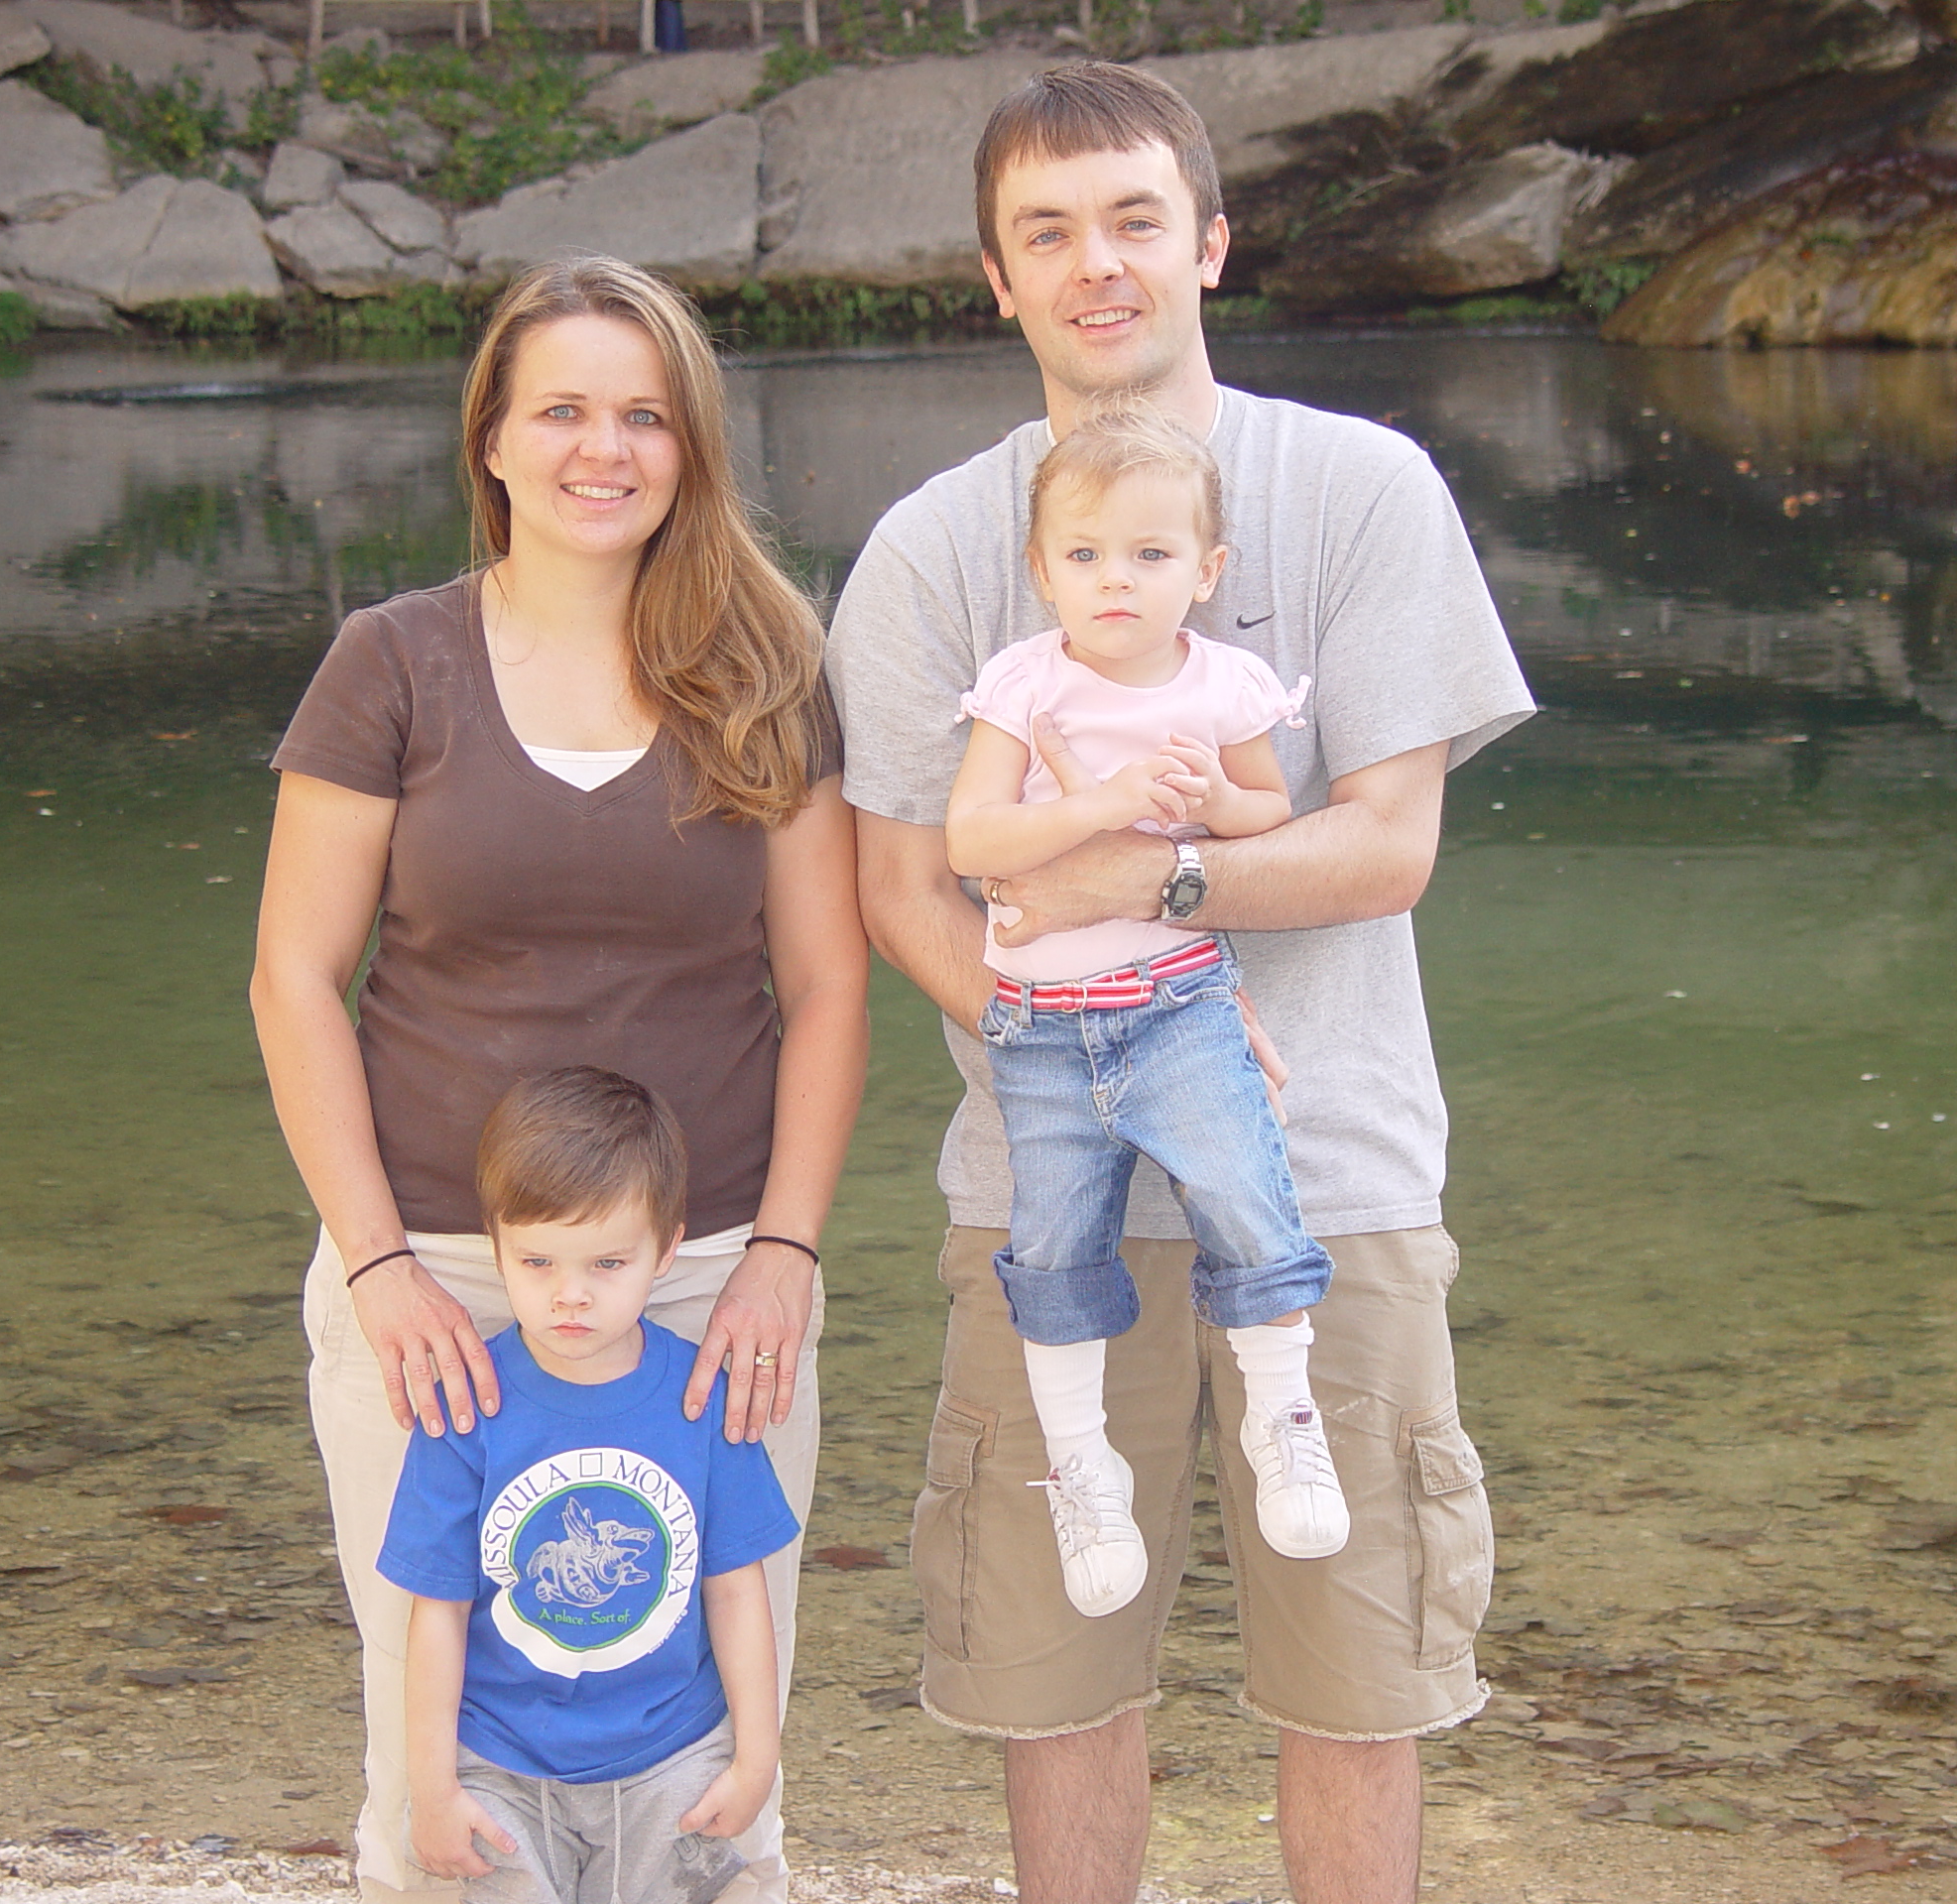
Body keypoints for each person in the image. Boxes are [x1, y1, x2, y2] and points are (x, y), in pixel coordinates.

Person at [825, 61, 1534, 1904]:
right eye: (1048, 234)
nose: (1099, 266)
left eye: (1136, 219)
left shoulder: (1361, 488)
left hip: (1339, 1177)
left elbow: (1386, 845)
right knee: (1056, 1682)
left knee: (1353, 1678)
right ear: (998, 278)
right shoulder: (928, 552)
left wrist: (1151, 877)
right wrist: (1096, 1056)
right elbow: (897, 884)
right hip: (1049, 1186)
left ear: (1210, 240)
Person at [252, 254, 868, 1904]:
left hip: (708, 1277)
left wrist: (786, 1260)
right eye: (566, 411)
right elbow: (294, 981)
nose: (607, 448)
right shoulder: (394, 665)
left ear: (691, 446)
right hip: (445, 1281)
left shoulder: (764, 667)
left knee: (720, 1769)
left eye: (645, 415)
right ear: (497, 442)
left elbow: (825, 984)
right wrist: (378, 1266)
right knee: (442, 1784)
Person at [942, 401, 1345, 1620]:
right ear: (1041, 569)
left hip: (1174, 1001)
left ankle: (1283, 1414)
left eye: (1151, 555)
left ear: (1206, 572)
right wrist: (1099, 802)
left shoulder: (1225, 682)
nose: (1115, 581)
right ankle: (1082, 1465)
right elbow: (971, 836)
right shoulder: (1026, 685)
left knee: (1242, 1187)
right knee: (1056, 1238)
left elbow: (1267, 817)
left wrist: (1210, 795)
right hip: (1043, 1028)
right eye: (1085, 556)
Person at [388, 1068, 798, 1904]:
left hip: (670, 1760)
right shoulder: (467, 1407)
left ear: (667, 1250)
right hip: (499, 1762)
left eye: (608, 1262)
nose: (570, 1294)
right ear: (494, 1246)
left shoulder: (703, 1400)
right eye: (538, 1261)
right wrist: (431, 1789)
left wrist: (757, 1756)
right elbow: (437, 1613)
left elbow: (735, 1591)